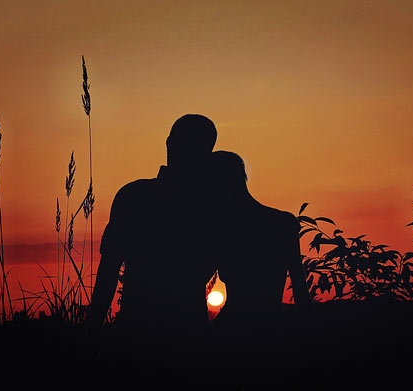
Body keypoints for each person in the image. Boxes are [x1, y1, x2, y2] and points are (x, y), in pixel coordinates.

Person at [85, 114, 219, 377]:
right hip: (187, 340)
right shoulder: (211, 206)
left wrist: (91, 331)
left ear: (169, 143)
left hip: (137, 335)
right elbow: (209, 269)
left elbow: (108, 272)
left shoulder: (133, 196)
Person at [207, 150, 314, 384]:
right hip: (273, 329)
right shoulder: (282, 222)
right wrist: (308, 336)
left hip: (233, 331)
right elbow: (300, 285)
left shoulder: (219, 229)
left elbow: (200, 278)